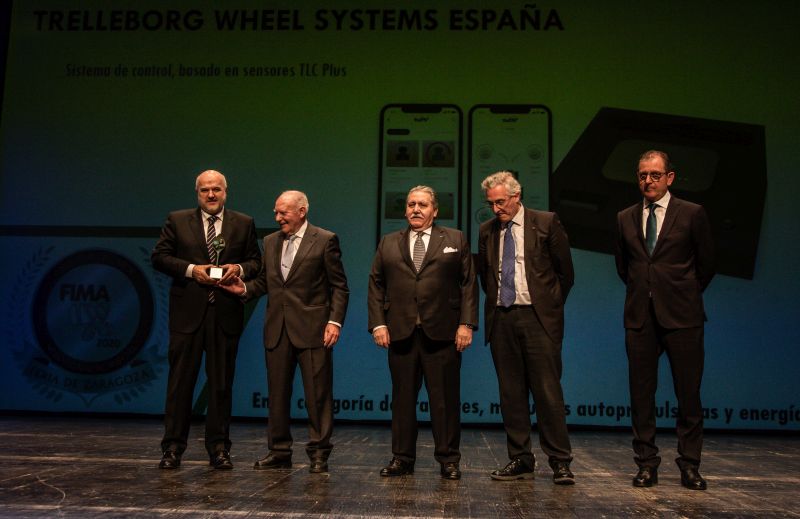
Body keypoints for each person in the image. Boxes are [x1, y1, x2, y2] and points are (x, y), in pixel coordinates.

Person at [221, 190, 349, 474]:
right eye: (276, 212)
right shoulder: (270, 242)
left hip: (313, 329)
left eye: (283, 212)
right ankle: (279, 451)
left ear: (302, 212)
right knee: (277, 395)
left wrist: (334, 322)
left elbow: (339, 286)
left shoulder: (325, 239)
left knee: (317, 395)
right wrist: (243, 289)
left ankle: (319, 452)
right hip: (277, 329)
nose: (278, 217)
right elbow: (266, 282)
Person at [615, 150, 715, 490]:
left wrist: (680, 293)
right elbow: (624, 267)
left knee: (688, 394)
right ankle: (646, 464)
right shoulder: (625, 217)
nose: (648, 181)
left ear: (669, 178)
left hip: (683, 316)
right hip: (640, 317)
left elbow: (706, 264)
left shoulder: (691, 213)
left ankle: (690, 465)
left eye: (655, 175)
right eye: (643, 175)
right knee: (641, 395)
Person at [152, 169, 261, 470]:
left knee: (221, 386)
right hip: (187, 316)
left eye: (216, 189)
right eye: (205, 190)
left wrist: (238, 269)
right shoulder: (177, 220)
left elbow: (256, 262)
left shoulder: (243, 223)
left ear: (226, 191)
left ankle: (219, 449)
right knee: (180, 385)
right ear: (197, 193)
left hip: (224, 315)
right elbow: (159, 257)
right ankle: (172, 448)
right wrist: (191, 270)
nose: (211, 195)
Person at [368, 185, 478, 480]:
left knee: (445, 401)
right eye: (411, 204)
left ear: (435, 210)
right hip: (401, 332)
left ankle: (449, 459)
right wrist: (378, 324)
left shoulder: (455, 239)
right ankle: (402, 458)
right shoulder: (388, 242)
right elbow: (376, 284)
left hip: (443, 333)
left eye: (423, 205)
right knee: (402, 400)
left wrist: (466, 324)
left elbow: (469, 284)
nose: (416, 209)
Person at [477, 171, 575, 485]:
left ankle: (560, 461)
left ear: (516, 196)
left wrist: (548, 306)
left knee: (547, 392)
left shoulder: (545, 222)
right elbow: (486, 277)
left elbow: (565, 273)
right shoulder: (487, 231)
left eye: (501, 202)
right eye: (491, 204)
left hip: (537, 318)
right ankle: (520, 458)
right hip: (502, 319)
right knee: (511, 393)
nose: (496, 209)